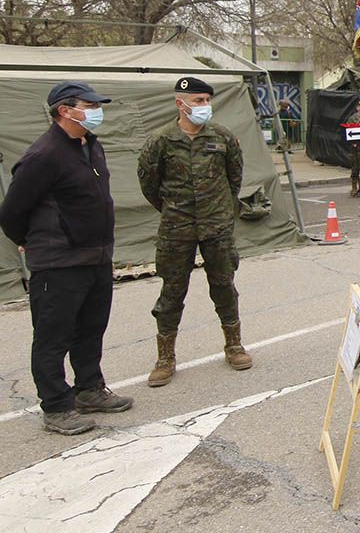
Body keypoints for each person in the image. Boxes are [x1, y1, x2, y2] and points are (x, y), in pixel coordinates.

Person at [0, 81, 133, 435]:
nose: (96, 111)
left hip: (96, 258)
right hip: (58, 263)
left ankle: (89, 389)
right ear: (65, 110)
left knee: (91, 329)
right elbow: (12, 211)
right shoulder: (43, 155)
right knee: (52, 337)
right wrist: (29, 241)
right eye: (89, 106)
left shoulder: (90, 145)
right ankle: (57, 406)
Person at [137, 77, 252, 387]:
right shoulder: (160, 141)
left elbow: (234, 178)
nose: (205, 106)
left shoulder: (223, 137)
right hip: (177, 228)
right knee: (172, 291)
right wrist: (174, 209)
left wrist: (220, 209)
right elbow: (149, 184)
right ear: (181, 104)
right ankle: (165, 358)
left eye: (207, 101)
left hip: (217, 226)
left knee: (224, 286)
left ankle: (234, 345)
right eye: (199, 101)